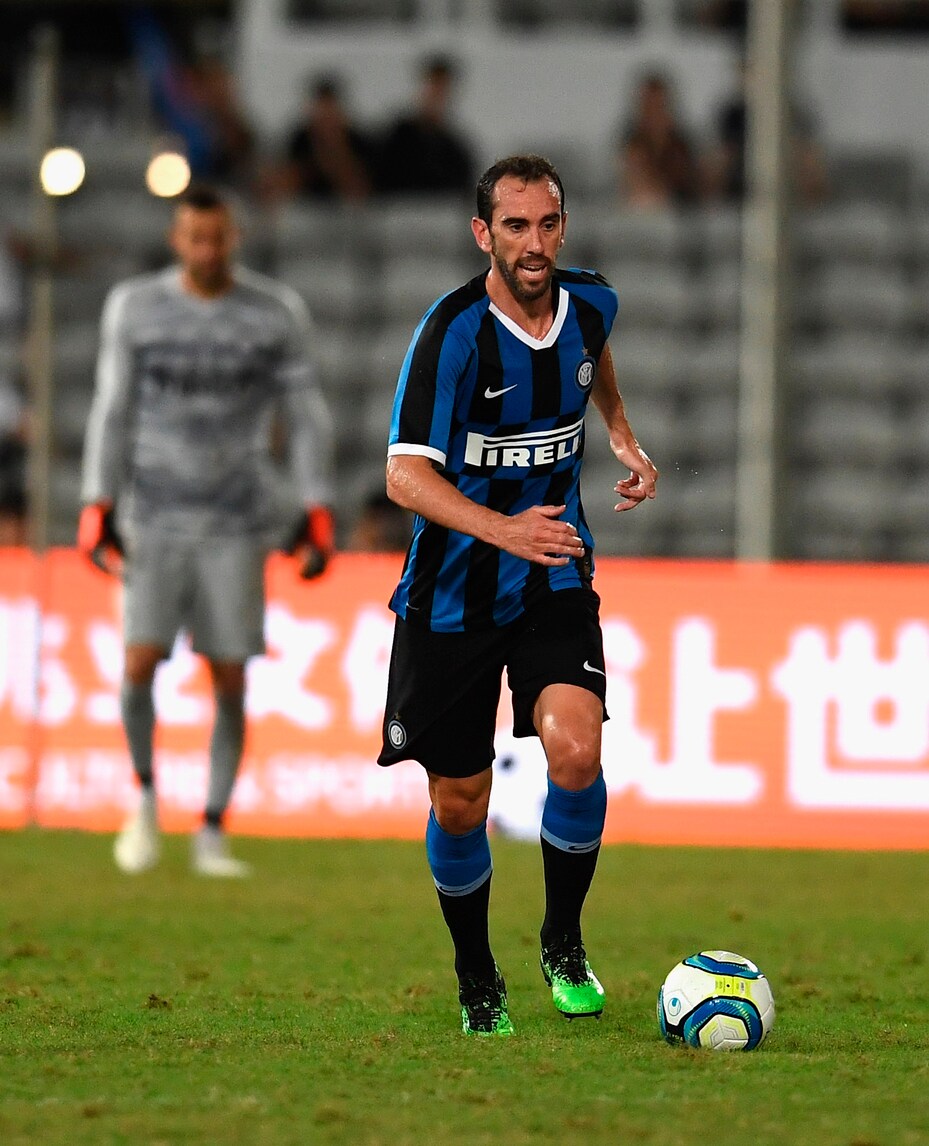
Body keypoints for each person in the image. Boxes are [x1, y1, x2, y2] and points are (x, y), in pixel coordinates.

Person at [377, 155, 658, 1035]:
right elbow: (402, 478)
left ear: (562, 226)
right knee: (459, 802)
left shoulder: (593, 303)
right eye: (513, 226)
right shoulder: (452, 334)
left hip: (552, 574)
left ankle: (562, 942)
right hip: (451, 595)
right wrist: (503, 530)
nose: (532, 244)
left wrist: (619, 431)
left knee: (575, 751)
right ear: (482, 234)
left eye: (546, 224)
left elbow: (592, 358)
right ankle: (476, 975)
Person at [79, 184, 335, 878]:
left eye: (217, 237)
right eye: (195, 238)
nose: (207, 250)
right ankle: (143, 799)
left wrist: (315, 503)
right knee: (138, 663)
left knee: (229, 675)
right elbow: (111, 408)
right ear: (176, 239)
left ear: (234, 237)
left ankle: (212, 828)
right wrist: (97, 499)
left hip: (236, 518)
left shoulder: (274, 313)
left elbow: (304, 414)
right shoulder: (135, 307)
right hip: (153, 513)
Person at [375, 54, 474, 197]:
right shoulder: (397, 138)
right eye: (433, 87)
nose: (436, 96)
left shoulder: (455, 150)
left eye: (442, 90)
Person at [280, 75, 374, 203]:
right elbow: (288, 184)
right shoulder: (300, 141)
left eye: (330, 111)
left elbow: (360, 190)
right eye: (321, 112)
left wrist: (336, 146)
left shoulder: (357, 142)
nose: (326, 119)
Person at [616, 71, 698, 209]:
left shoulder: (680, 144)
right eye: (648, 105)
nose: (653, 112)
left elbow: (686, 181)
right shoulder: (630, 143)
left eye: (658, 105)